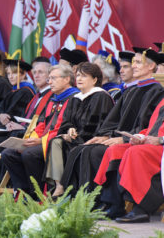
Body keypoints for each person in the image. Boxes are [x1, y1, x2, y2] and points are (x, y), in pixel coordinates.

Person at [60, 48, 164, 197]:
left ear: (151, 66)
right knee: (83, 148)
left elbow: (148, 125)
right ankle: (77, 198)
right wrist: (106, 136)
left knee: (95, 151)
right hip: (123, 137)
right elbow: (114, 121)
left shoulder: (156, 90)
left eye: (138, 63)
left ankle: (103, 200)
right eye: (133, 62)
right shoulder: (132, 90)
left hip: (136, 139)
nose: (133, 66)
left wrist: (124, 138)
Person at [1, 64, 79, 198]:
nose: (49, 82)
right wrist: (30, 139)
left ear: (66, 79)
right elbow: (41, 123)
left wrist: (40, 141)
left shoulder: (74, 99)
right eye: (49, 79)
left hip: (60, 143)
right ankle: (23, 192)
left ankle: (37, 193)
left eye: (53, 78)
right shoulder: (53, 99)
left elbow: (64, 129)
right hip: (43, 140)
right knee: (8, 153)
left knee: (29, 154)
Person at [0, 58, 47, 190]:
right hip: (12, 128)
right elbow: (0, 109)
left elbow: (21, 115)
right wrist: (0, 115)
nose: (11, 76)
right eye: (9, 73)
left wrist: (11, 119)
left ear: (23, 75)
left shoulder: (27, 92)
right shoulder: (15, 91)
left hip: (21, 130)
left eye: (14, 73)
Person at [44, 62, 114, 198]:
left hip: (91, 140)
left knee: (71, 147)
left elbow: (96, 125)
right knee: (56, 142)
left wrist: (77, 136)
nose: (79, 79)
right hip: (76, 139)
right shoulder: (75, 99)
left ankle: (71, 191)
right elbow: (66, 122)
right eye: (77, 76)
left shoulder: (101, 97)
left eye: (84, 76)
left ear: (94, 79)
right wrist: (68, 130)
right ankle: (59, 185)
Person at [94, 97, 164, 222]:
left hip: (161, 147)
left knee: (136, 152)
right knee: (114, 150)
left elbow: (158, 136)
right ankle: (114, 204)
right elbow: (152, 129)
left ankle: (141, 209)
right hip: (152, 144)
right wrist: (139, 137)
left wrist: (160, 140)